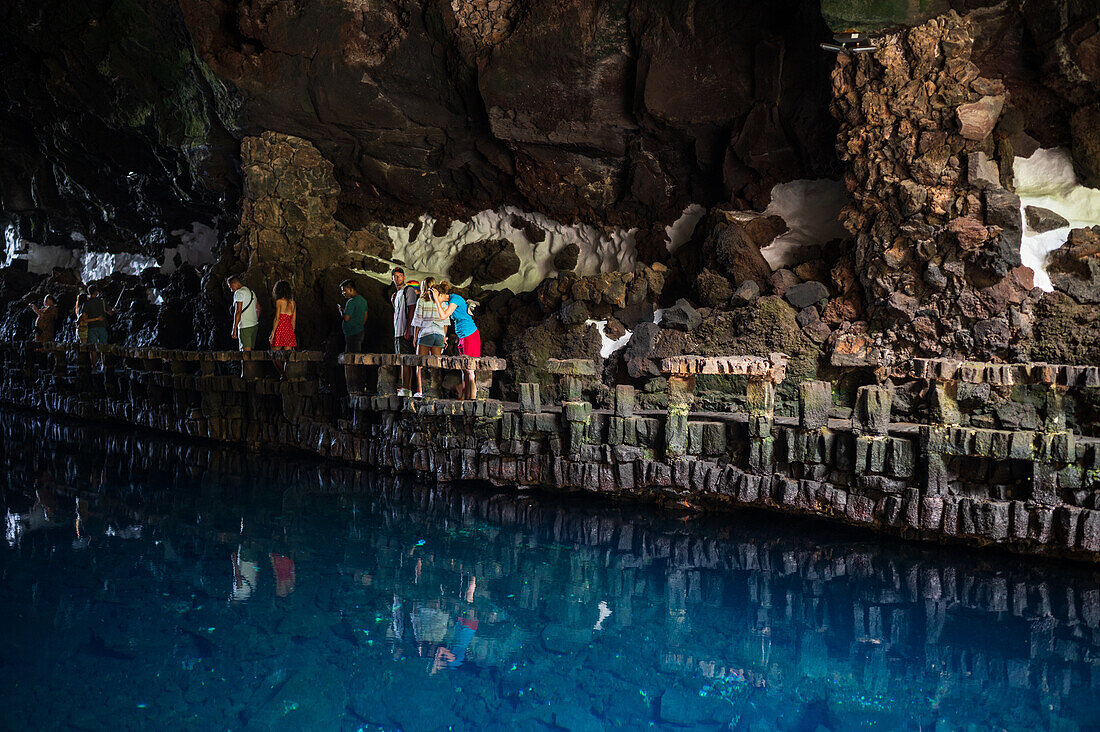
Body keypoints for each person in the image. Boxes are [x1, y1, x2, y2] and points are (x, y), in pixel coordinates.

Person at [431, 281, 480, 400]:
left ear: (441, 294)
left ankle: (472, 400)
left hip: (470, 335)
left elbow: (443, 316)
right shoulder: (449, 301)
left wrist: (437, 300)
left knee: (470, 370)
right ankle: (464, 397)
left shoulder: (455, 299)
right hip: (462, 337)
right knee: (464, 369)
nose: (433, 299)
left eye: (435, 296)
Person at [410, 277, 450, 398]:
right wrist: (444, 337)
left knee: (420, 364)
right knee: (436, 364)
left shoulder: (421, 301)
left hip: (425, 333)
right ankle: (435, 391)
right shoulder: (442, 300)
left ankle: (421, 391)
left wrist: (415, 337)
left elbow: (418, 321)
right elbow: (446, 322)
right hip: (438, 334)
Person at [391, 267, 420, 397]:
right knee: (401, 359)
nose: (397, 278)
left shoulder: (409, 291)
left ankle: (407, 388)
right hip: (398, 332)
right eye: (395, 276)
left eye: (400, 276)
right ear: (392, 278)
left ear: (404, 277)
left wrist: (408, 329)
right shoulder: (396, 294)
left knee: (406, 360)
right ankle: (404, 387)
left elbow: (411, 309)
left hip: (404, 331)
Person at [269, 280, 297, 380]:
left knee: (273, 354)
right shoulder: (293, 303)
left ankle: (283, 374)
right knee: (287, 356)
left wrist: (273, 334)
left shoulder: (279, 302)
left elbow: (277, 319)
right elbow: (293, 320)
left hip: (280, 328)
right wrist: (291, 333)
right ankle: (286, 375)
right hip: (289, 329)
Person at [227, 276, 259, 351]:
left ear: (235, 284)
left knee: (245, 354)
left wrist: (234, 328)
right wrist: (254, 320)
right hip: (254, 326)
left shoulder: (239, 293)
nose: (231, 290)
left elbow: (238, 311)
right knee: (251, 353)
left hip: (245, 326)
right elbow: (259, 308)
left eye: (231, 287)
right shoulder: (251, 292)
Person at [339, 279, 369, 353]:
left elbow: (346, 318)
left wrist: (341, 312)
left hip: (351, 334)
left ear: (350, 289)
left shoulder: (351, 302)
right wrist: (359, 326)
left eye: (344, 290)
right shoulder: (363, 300)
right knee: (355, 355)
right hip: (359, 332)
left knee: (351, 357)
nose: (343, 293)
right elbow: (365, 316)